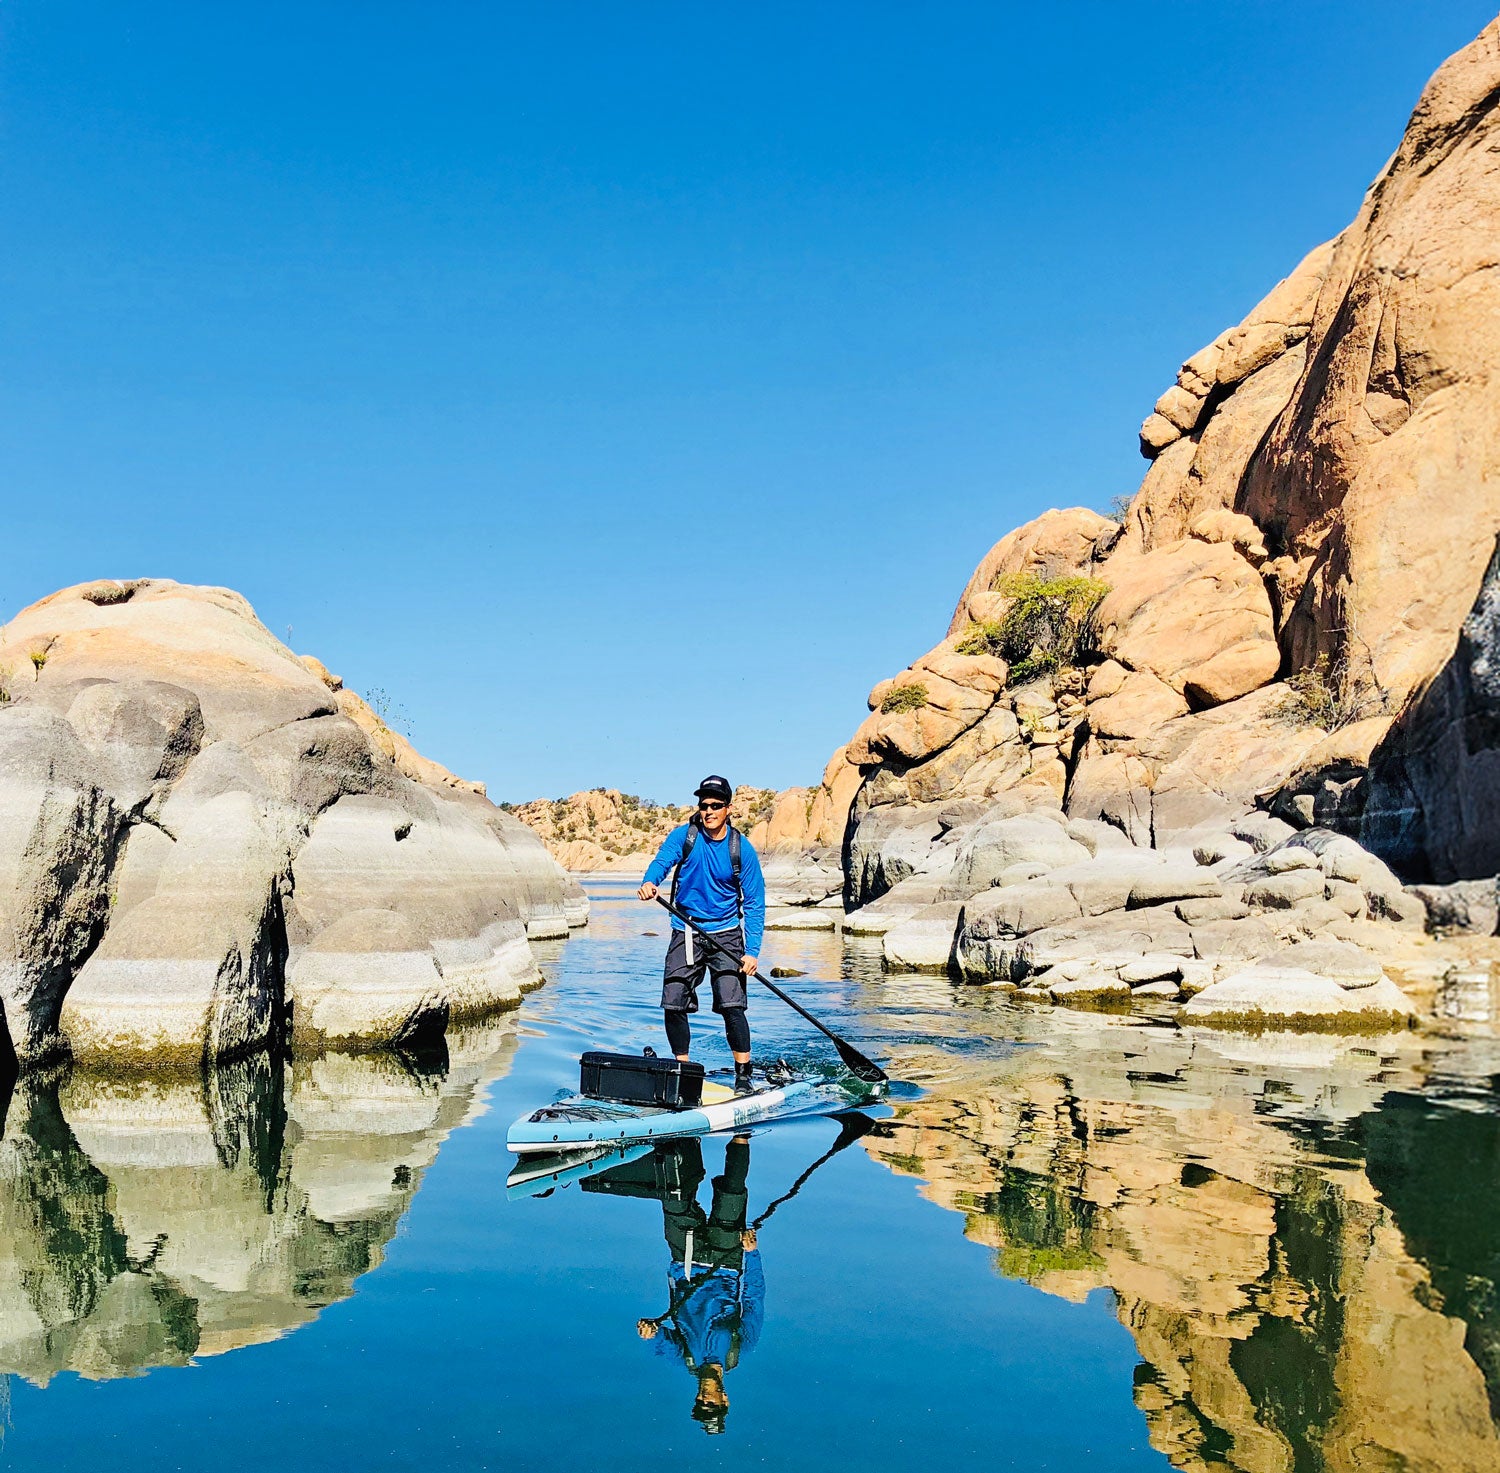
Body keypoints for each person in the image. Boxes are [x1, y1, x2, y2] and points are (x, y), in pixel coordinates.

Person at [637, 775, 766, 1094]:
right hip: (686, 931)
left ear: (728, 809)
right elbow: (662, 862)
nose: (708, 810)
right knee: (673, 1002)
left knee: (732, 1005)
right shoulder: (685, 837)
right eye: (703, 805)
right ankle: (683, 1069)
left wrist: (752, 951)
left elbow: (754, 902)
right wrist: (651, 881)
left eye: (715, 805)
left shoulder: (741, 849)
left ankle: (743, 1074)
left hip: (726, 935)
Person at [636, 1135, 764, 1436]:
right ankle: (741, 1134)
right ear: (724, 1399)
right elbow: (754, 1299)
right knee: (732, 1193)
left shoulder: (686, 1359)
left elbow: (659, 1341)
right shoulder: (738, 1349)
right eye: (713, 1405)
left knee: (673, 1196)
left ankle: (682, 1136)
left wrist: (649, 1332)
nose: (705, 1400)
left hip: (686, 1263)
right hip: (727, 1262)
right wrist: (752, 1254)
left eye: (701, 1404)